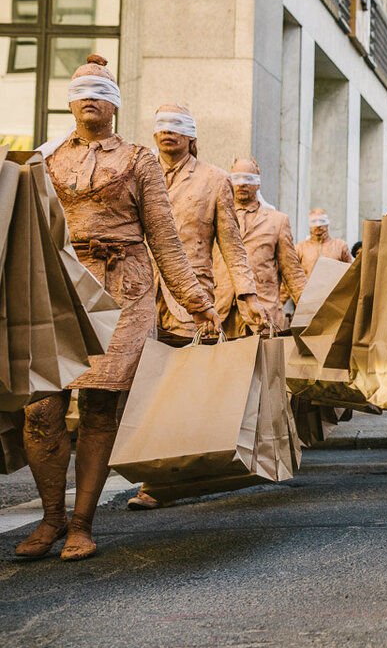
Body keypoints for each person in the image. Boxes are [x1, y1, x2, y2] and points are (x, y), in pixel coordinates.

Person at [17, 56, 220, 561]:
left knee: (100, 407)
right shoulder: (43, 159)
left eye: (100, 90)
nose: (90, 96)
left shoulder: (138, 159)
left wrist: (196, 300)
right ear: (69, 101)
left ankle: (82, 523)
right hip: (59, 286)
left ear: (115, 104)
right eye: (82, 89)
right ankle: (51, 518)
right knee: (42, 407)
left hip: (124, 290)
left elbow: (164, 237)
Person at [127, 105, 268, 511]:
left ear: (192, 136)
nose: (168, 132)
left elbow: (232, 246)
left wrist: (247, 296)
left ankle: (159, 482)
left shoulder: (214, 180)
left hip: (192, 302)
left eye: (178, 126)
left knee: (176, 388)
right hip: (138, 295)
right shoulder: (138, 171)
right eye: (162, 126)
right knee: (139, 386)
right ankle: (143, 466)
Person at [214, 158, 307, 334]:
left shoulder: (277, 221)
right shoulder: (216, 216)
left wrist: (311, 310)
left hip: (262, 313)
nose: (242, 184)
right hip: (221, 311)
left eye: (248, 179)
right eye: (237, 178)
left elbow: (292, 271)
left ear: (258, 184)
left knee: (260, 361)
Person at [296, 207, 353, 277]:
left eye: (322, 221)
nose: (318, 225)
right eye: (314, 221)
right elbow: (292, 274)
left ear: (328, 223)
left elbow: (350, 273)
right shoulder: (300, 247)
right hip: (308, 287)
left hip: (333, 287)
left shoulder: (340, 246)